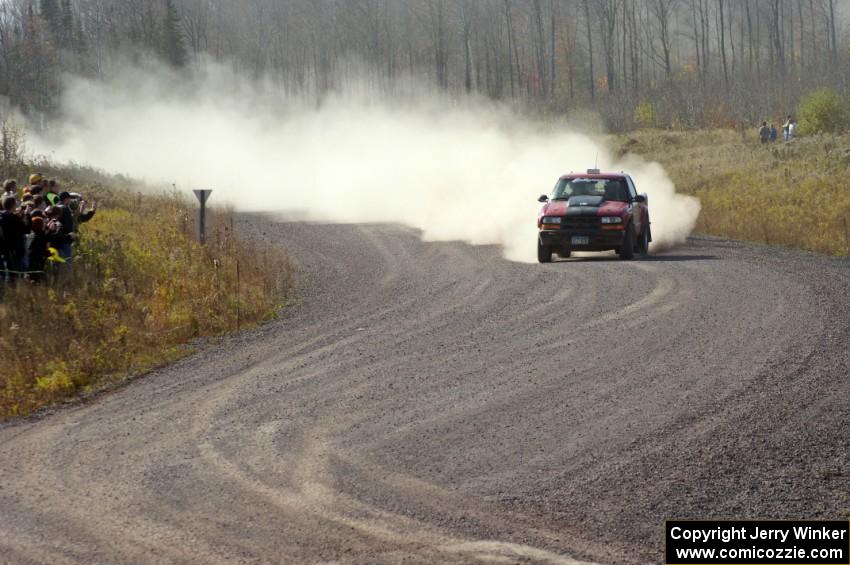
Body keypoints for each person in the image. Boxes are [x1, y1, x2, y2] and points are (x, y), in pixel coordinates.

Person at [0, 195, 26, 279]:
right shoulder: (14, 218)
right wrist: (22, 217)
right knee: (16, 272)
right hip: (15, 249)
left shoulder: (2, 216)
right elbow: (25, 229)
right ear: (13, 205)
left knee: (9, 269)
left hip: (5, 248)